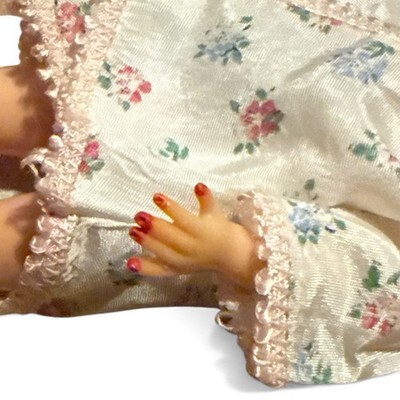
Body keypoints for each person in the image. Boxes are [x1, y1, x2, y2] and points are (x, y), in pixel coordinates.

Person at [1, 0, 400, 388]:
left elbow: (373, 288)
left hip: (217, 209)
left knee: (43, 235)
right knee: (47, 98)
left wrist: (238, 252)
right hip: (227, 73)